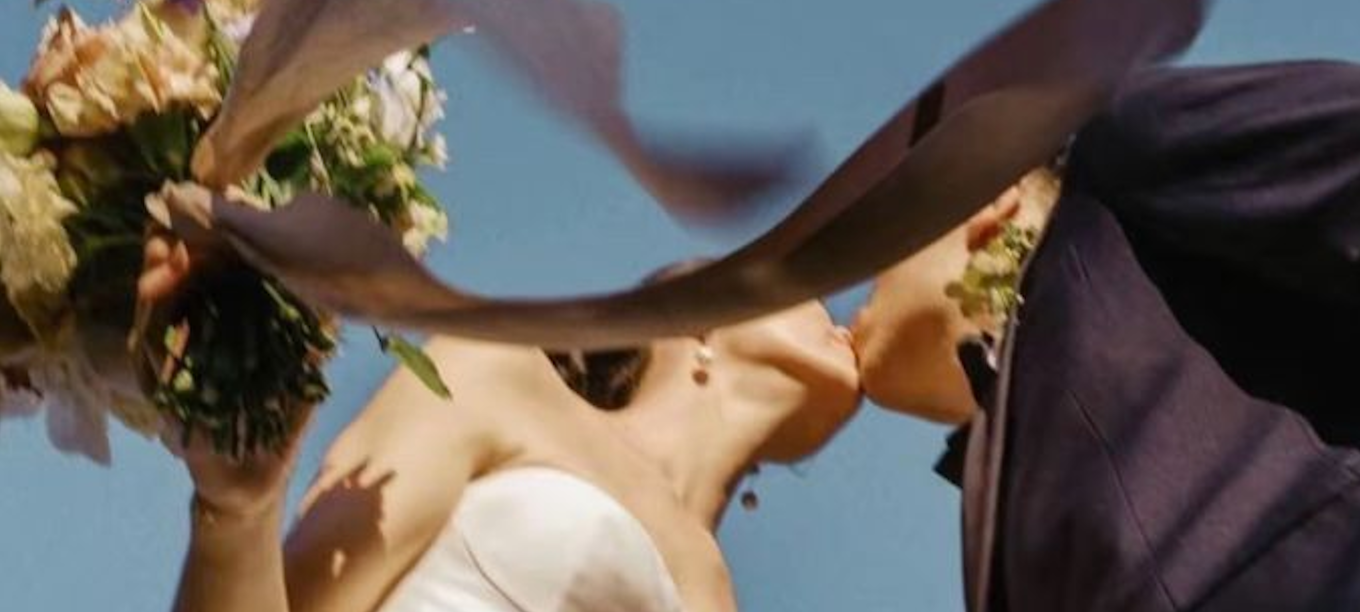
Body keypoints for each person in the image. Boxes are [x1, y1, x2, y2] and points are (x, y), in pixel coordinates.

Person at [853, 59, 1360, 612]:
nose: (843, 292)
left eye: (864, 256)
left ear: (986, 199)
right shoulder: (1002, 494)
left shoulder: (1129, 152)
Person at [146, 254, 861, 612]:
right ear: (697, 318)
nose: (840, 321)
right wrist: (236, 510)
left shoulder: (716, 592)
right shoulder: (500, 375)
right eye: (813, 299)